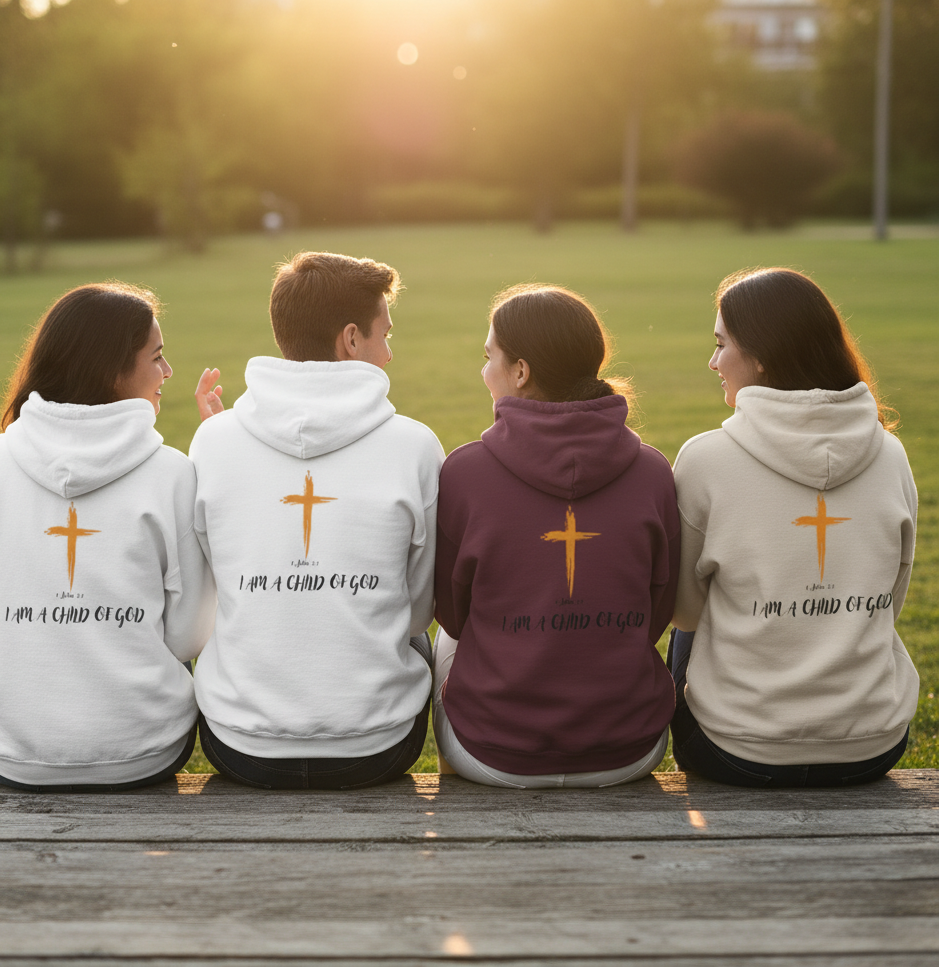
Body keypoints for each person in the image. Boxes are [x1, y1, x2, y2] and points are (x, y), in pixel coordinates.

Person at [0, 283, 216, 792]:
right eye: (157, 358)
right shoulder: (171, 473)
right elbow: (188, 637)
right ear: (112, 369)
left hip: (11, 751)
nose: (168, 373)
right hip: (144, 751)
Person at [189, 251, 444, 789]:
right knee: (419, 640)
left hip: (240, 747)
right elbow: (419, 606)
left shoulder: (213, 441)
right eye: (384, 335)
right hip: (376, 749)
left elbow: (212, 587)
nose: (390, 353)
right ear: (351, 340)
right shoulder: (414, 446)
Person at [669, 268, 918, 787]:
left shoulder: (705, 459)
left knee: (688, 628)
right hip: (872, 745)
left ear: (760, 355)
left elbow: (684, 610)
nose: (712, 361)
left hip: (737, 751)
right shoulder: (890, 454)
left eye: (720, 345)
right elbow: (891, 597)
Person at [433, 285, 679, 788]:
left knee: (443, 641)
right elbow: (658, 610)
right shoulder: (653, 472)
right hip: (627, 750)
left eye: (488, 358)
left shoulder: (464, 472)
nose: (484, 372)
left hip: (496, 756)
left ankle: (457, 798)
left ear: (521, 372)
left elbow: (453, 614)